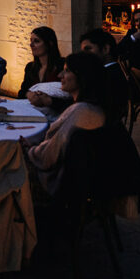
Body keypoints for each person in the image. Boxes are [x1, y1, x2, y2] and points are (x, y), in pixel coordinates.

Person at [24, 52, 107, 198]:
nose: (60, 75)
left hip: (59, 182)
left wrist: (27, 149)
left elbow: (47, 157)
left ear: (82, 76)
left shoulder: (80, 112)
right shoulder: (94, 107)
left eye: (67, 70)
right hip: (79, 177)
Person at [79, 28, 130, 122]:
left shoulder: (109, 76)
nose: (83, 55)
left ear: (106, 49)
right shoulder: (106, 72)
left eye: (88, 49)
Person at [18, 26, 63, 99]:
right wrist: (28, 94)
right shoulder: (30, 67)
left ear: (49, 43)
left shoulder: (62, 66)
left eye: (36, 41)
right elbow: (21, 93)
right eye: (31, 40)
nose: (31, 44)